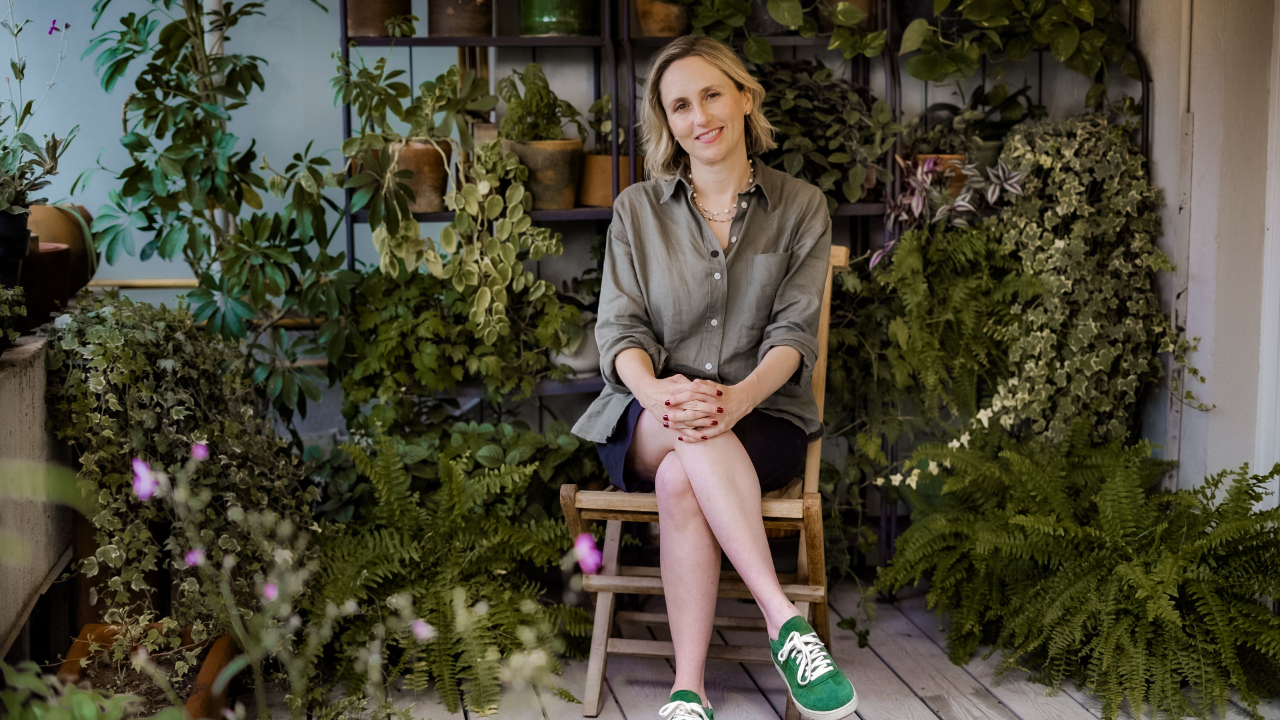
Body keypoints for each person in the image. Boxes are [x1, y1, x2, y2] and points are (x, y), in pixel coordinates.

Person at [568, 34, 857, 720]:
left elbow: (793, 336)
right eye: (680, 106)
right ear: (667, 122)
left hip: (763, 416)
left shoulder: (801, 206)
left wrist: (738, 399)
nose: (700, 116)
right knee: (683, 433)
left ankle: (688, 689)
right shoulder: (637, 211)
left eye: (711, 95)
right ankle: (784, 619)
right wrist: (656, 392)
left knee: (682, 476)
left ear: (744, 98)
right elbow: (620, 331)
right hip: (650, 411)